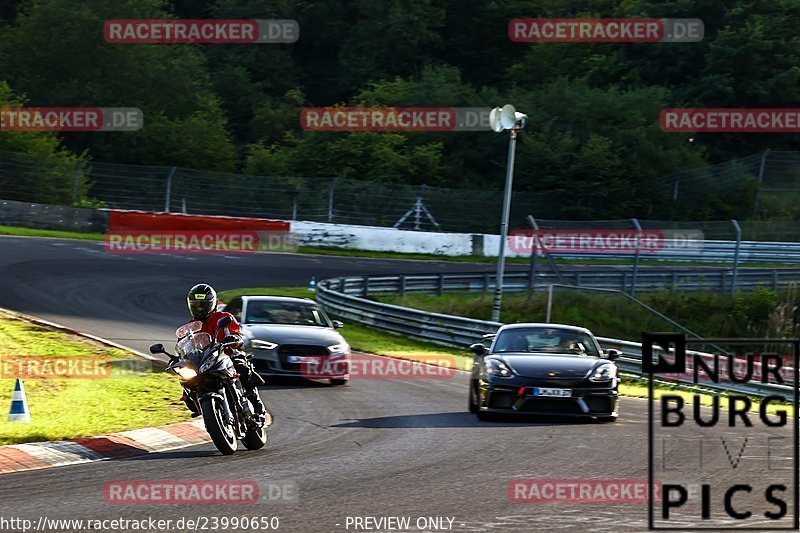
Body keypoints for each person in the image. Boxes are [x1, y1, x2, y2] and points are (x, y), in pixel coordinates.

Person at [182, 283, 266, 423]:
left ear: (212, 303)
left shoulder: (224, 317)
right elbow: (184, 345)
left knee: (242, 369)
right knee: (187, 383)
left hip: (227, 354)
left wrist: (234, 338)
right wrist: (179, 357)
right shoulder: (190, 327)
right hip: (204, 361)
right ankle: (201, 406)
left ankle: (257, 406)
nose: (200, 308)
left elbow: (236, 332)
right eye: (197, 305)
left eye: (204, 305)